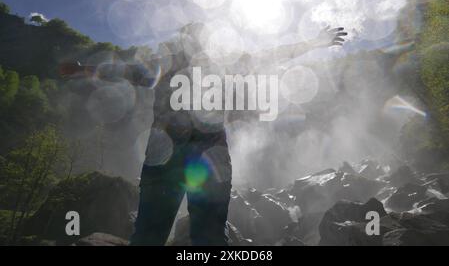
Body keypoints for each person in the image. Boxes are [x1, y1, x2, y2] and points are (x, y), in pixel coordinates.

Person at [59, 24, 347, 246]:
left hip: (190, 160)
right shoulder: (184, 64)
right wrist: (85, 69)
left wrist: (314, 43)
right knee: (163, 233)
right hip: (185, 161)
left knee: (188, 235)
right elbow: (123, 70)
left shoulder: (209, 64)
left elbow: (270, 56)